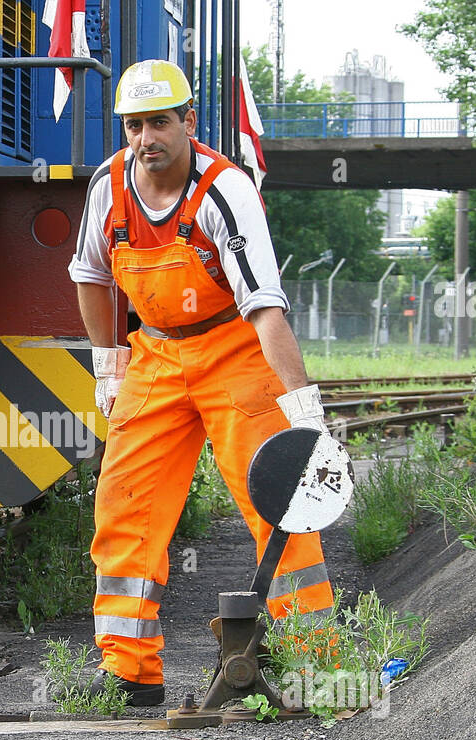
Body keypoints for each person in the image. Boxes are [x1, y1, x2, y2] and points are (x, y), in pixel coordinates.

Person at [69, 59, 336, 706]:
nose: (145, 138)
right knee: (125, 504)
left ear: (188, 121)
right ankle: (129, 672)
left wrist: (304, 411)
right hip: (155, 357)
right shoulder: (108, 187)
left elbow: (266, 306)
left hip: (233, 349)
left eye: (159, 122)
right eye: (133, 126)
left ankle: (317, 663)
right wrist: (109, 365)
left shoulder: (226, 191)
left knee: (278, 499)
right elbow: (89, 275)